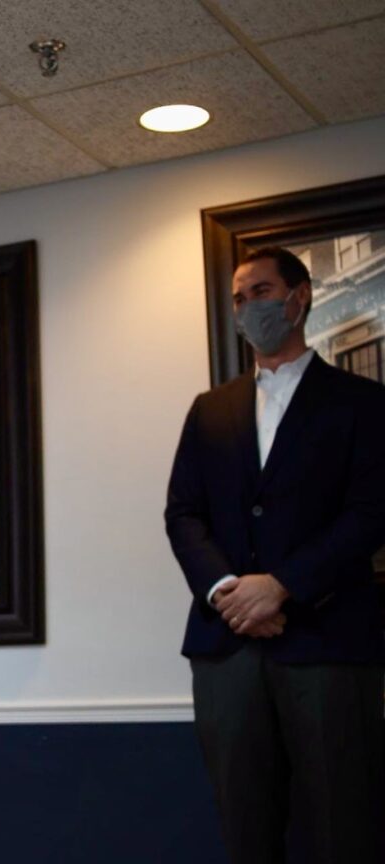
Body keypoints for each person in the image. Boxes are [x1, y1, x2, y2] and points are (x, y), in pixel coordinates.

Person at [165, 246, 385, 863]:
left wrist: (281, 584)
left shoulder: (363, 404)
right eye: (238, 298)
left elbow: (371, 514)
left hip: (330, 645)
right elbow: (183, 514)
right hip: (226, 649)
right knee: (246, 829)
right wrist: (229, 592)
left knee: (347, 826)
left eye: (260, 292)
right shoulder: (211, 410)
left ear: (299, 297)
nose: (247, 308)